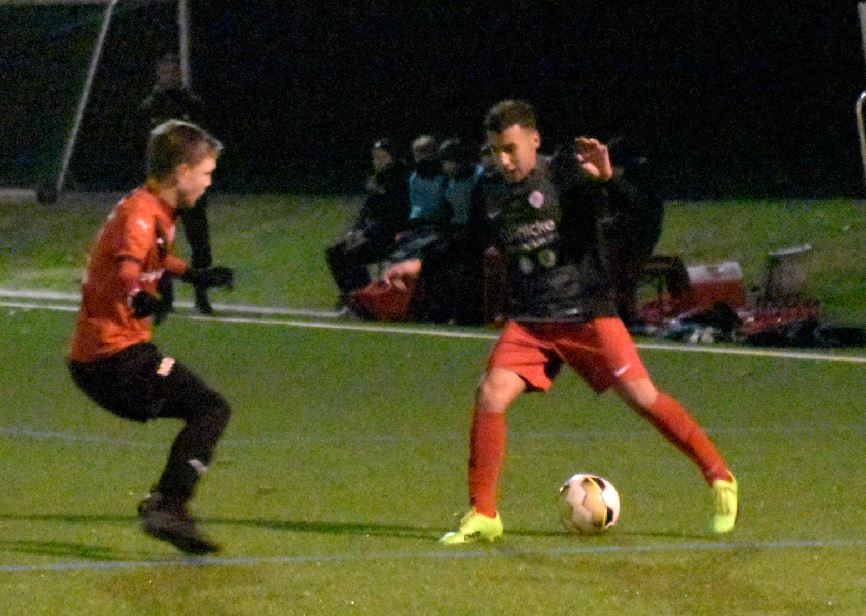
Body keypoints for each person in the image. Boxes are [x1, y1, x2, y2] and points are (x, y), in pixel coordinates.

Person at [382, 100, 738, 544]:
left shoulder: (565, 174)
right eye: (495, 151)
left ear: (535, 140)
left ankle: (720, 477)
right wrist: (420, 263)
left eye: (511, 149)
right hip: (532, 321)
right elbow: (470, 242)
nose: (503, 160)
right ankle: (484, 513)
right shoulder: (488, 189)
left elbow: (633, 211)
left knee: (643, 397)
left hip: (586, 313)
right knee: (491, 393)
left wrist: (608, 179)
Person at [67, 120, 235, 554]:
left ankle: (166, 504)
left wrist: (195, 274)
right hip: (114, 360)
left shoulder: (152, 208)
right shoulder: (141, 213)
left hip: (115, 358)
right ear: (182, 171)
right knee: (211, 407)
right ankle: (167, 505)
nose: (208, 183)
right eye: (206, 173)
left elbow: (156, 257)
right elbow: (128, 267)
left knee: (205, 405)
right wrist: (138, 296)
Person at [139, 52, 219, 314]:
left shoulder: (192, 104)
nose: (170, 75)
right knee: (159, 242)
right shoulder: (149, 107)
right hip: (164, 186)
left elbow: (205, 141)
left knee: (200, 241)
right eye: (166, 71)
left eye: (174, 71)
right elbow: (144, 148)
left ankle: (201, 296)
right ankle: (165, 297)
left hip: (189, 184)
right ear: (158, 74)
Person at [325, 138, 410, 309]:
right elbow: (367, 209)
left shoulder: (401, 180)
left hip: (391, 234)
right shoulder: (377, 179)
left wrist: (365, 232)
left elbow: (393, 215)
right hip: (373, 231)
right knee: (335, 252)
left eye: (382, 157)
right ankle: (351, 294)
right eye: (375, 157)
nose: (378, 161)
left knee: (353, 253)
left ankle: (364, 299)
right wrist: (355, 230)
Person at [596, 135, 665, 326]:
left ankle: (620, 312)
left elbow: (634, 210)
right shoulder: (635, 185)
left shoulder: (633, 186)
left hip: (633, 244)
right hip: (633, 241)